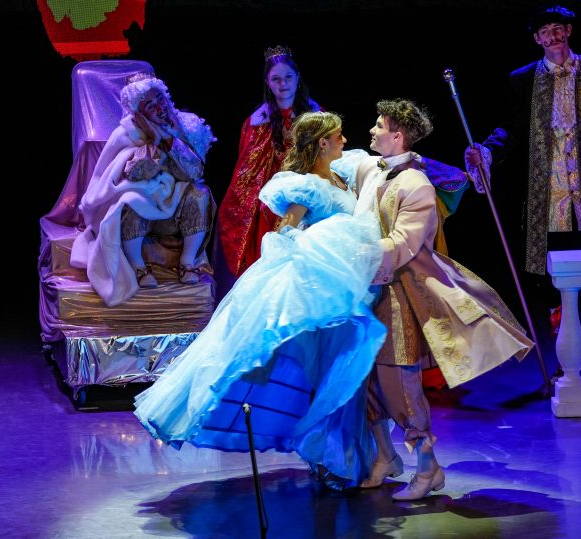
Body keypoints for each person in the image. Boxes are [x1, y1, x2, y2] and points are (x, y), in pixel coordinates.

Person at [134, 112, 387, 489]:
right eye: (338, 135)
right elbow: (286, 229)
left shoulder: (343, 175)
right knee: (317, 370)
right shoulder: (308, 186)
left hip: (342, 287)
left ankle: (345, 459)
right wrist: (311, 247)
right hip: (316, 287)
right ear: (322, 142)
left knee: (340, 369)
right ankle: (333, 458)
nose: (344, 140)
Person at [353, 99, 534, 500]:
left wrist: (354, 251)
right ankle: (386, 457)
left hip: (400, 297)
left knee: (400, 383)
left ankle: (427, 468)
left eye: (379, 125)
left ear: (398, 135)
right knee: (365, 379)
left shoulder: (416, 184)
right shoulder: (374, 171)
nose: (372, 131)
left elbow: (404, 243)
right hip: (368, 293)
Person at [464, 5, 581, 359]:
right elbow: (511, 129)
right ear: (537, 39)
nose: (553, 37)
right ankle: (567, 362)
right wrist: (486, 151)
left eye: (558, 28)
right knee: (552, 282)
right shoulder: (522, 79)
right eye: (545, 32)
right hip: (547, 200)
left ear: (569, 31)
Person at [70, 73, 217, 306]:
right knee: (131, 197)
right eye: (149, 105)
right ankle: (138, 267)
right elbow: (134, 176)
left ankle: (188, 262)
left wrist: (169, 141)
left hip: (175, 211)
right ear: (139, 113)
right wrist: (154, 144)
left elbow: (194, 172)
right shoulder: (127, 134)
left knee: (200, 193)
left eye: (159, 99)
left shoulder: (187, 126)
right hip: (143, 214)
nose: (159, 107)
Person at [212, 46, 321, 300]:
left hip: (307, 184)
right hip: (270, 189)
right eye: (276, 79)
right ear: (268, 83)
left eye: (288, 77)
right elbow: (247, 170)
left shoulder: (315, 115)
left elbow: (325, 156)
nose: (283, 84)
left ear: (297, 78)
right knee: (265, 209)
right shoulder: (257, 121)